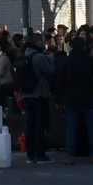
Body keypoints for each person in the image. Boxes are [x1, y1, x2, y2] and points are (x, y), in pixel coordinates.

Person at [53, 35, 93, 164]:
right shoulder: (91, 60)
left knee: (71, 128)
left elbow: (60, 81)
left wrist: (58, 97)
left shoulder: (67, 61)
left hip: (72, 97)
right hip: (88, 96)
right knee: (91, 128)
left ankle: (70, 155)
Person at [21, 32, 56, 163]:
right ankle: (40, 154)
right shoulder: (39, 57)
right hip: (39, 94)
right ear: (38, 43)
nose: (45, 44)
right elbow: (51, 71)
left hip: (26, 94)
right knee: (40, 125)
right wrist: (51, 58)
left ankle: (30, 154)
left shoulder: (25, 55)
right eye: (43, 42)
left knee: (29, 125)